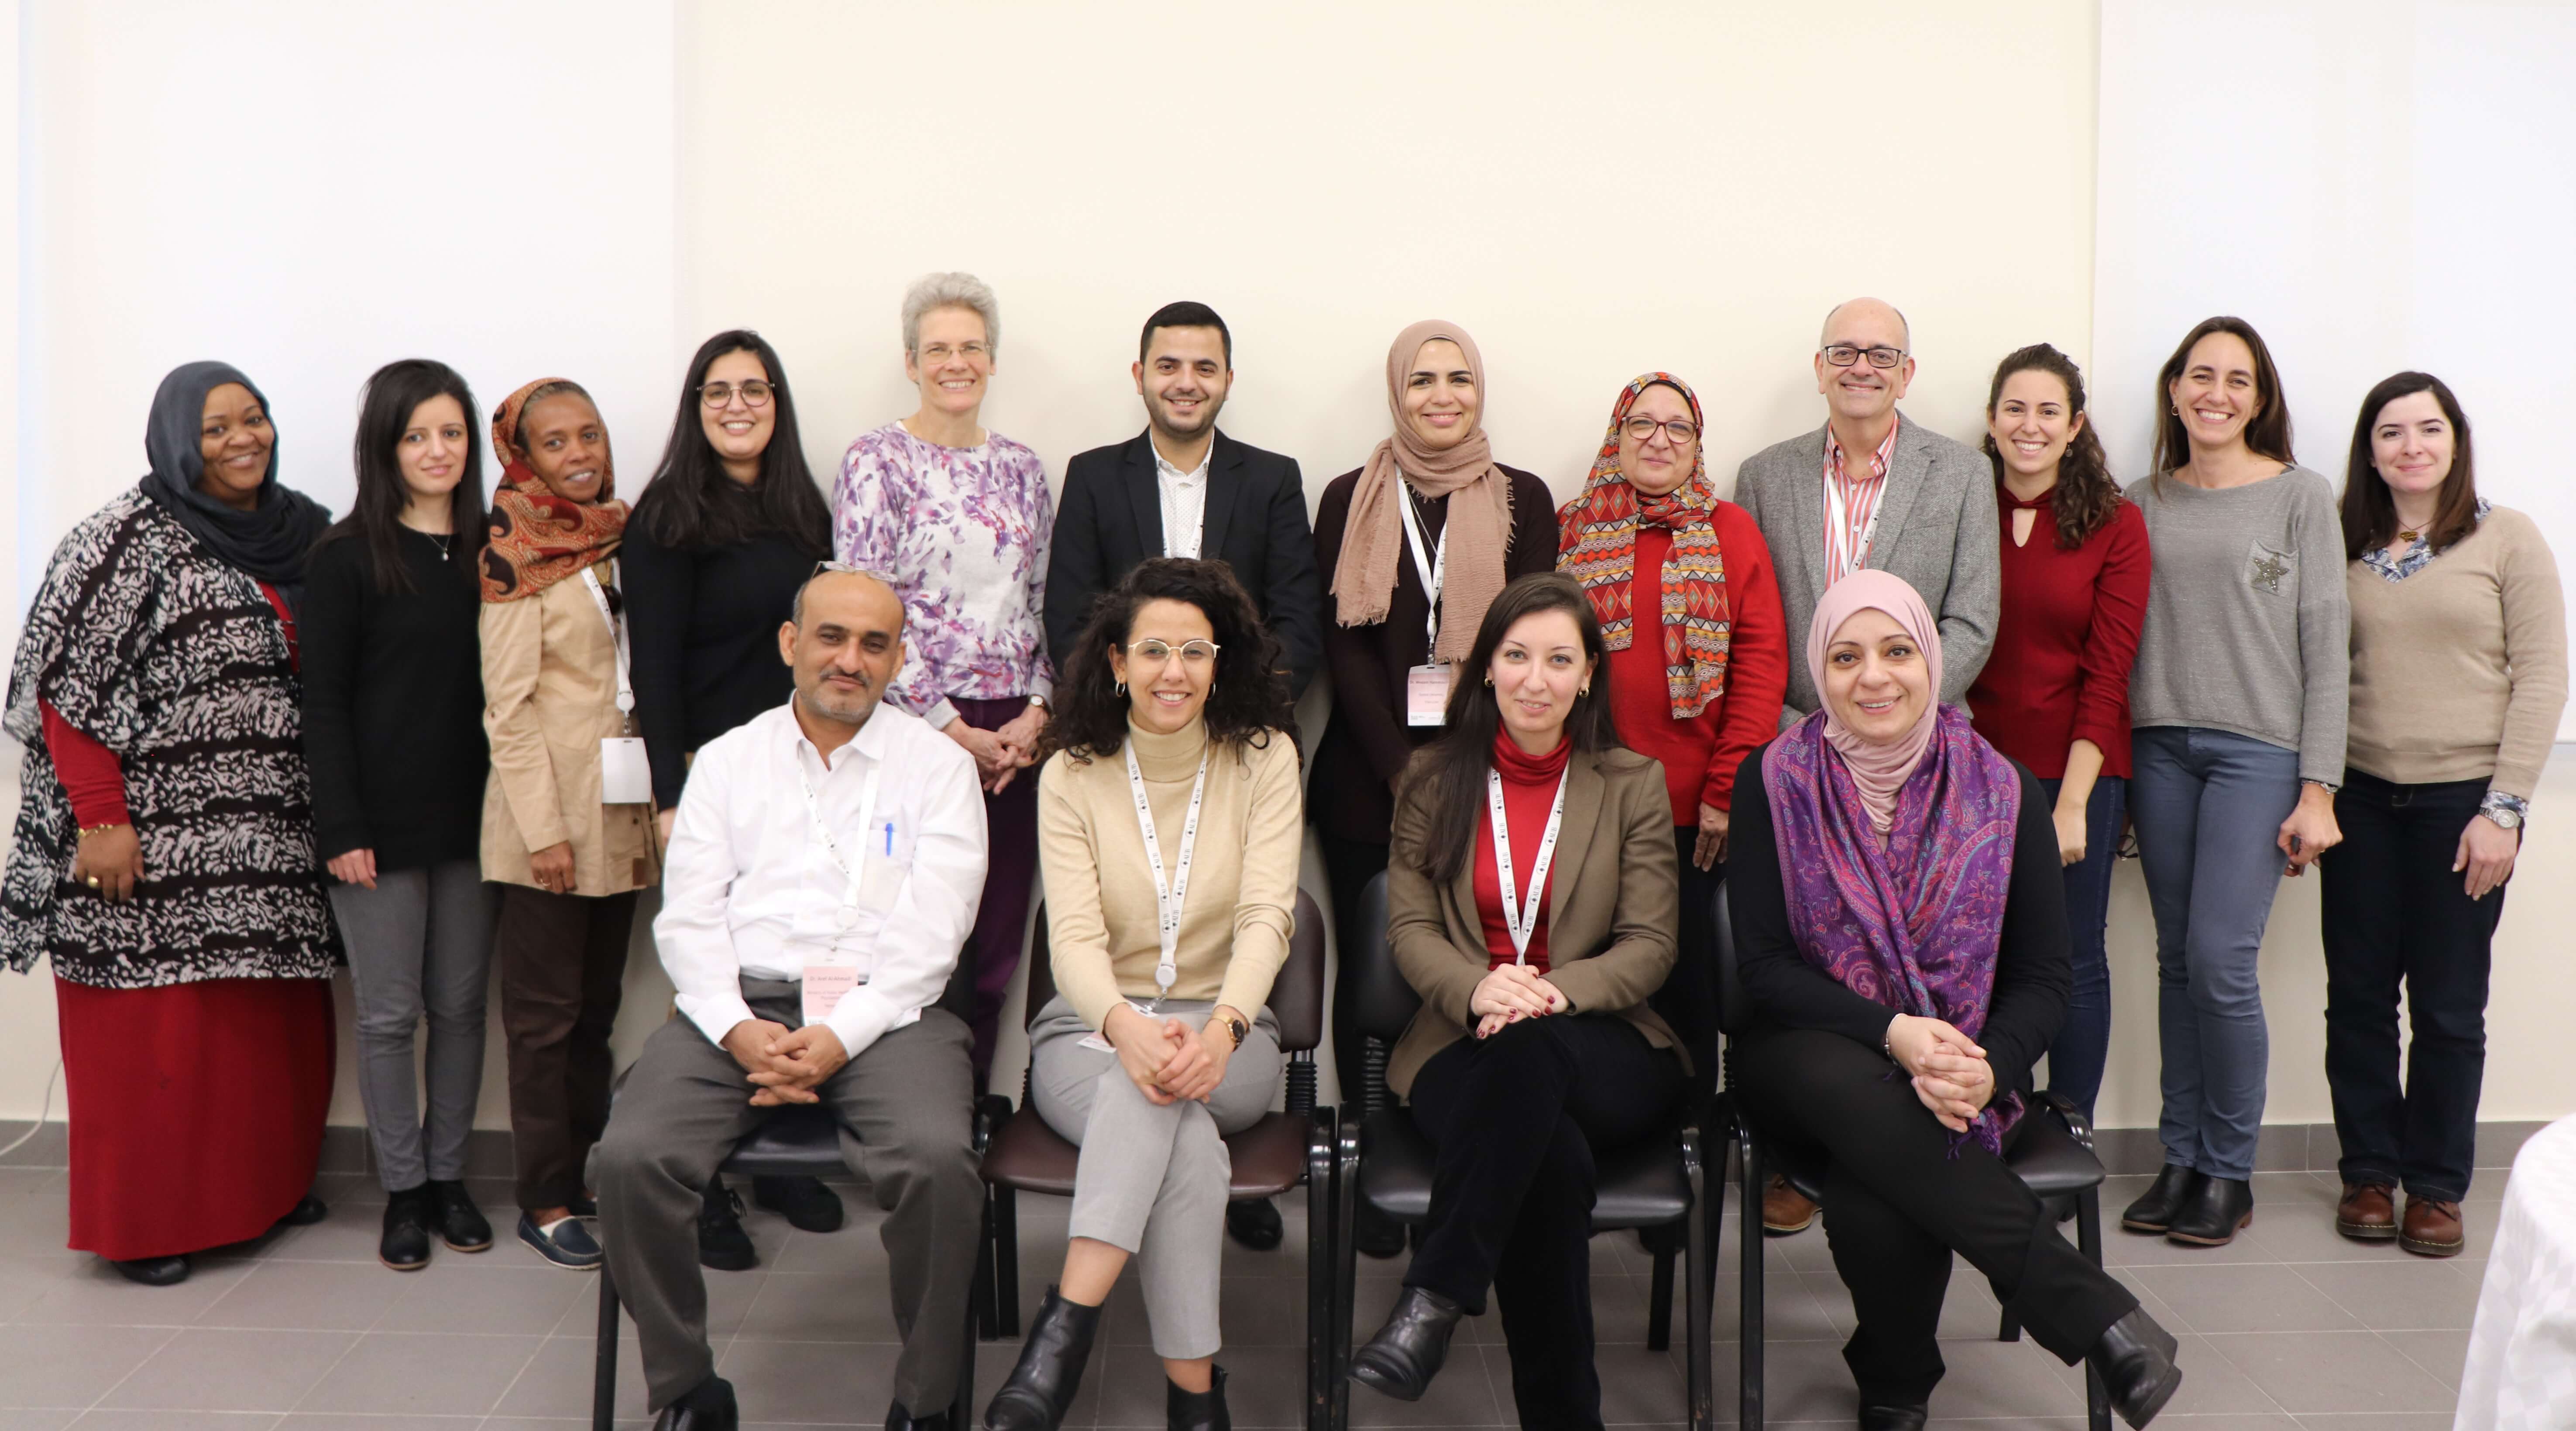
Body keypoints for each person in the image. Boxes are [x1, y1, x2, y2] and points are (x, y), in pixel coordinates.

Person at [1727, 571, 2184, 1431]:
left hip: (1958, 1067)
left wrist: (1984, 1070)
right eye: (1845, 656)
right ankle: (2093, 1315)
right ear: (1816, 673)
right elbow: (1763, 966)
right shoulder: (1773, 781)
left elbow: (2045, 977)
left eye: (1896, 651)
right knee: (1855, 1088)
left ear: (1930, 662)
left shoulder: (2004, 789)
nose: (1873, 676)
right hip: (1801, 1054)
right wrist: (1893, 1030)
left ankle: (1894, 1380)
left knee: (1879, 1179)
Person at [595, 567, 990, 1431]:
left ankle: (926, 1400)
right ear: (789, 643)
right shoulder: (731, 761)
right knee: (629, 1158)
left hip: (888, 1014)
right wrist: (740, 1031)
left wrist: (836, 1038)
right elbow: (690, 920)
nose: (849, 659)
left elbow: (932, 937)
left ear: (897, 661)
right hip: (738, 1010)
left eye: (873, 644)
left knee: (935, 1162)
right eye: (830, 636)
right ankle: (688, 1387)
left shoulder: (938, 769)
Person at [1, 362, 336, 1286]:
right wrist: (101, 819)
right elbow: (66, 693)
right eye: (217, 427)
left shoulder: (304, 531)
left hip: (269, 839)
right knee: (165, 1041)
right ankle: (148, 1225)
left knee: (256, 1038)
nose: (243, 440)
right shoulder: (120, 541)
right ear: (178, 439)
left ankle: (262, 1194)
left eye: (256, 418)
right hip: (154, 842)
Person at [1344, 572, 1689, 1428]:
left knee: (1533, 1054)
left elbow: (1650, 945)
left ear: (1586, 676)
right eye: (1516, 656)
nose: (1535, 678)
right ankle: (1563, 1415)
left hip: (1604, 1041)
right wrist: (1476, 987)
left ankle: (1435, 1294)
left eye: (1558, 659)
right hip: (1460, 1038)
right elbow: (1411, 926)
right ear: (1487, 668)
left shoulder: (1631, 781)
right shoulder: (1430, 779)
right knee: (1549, 1156)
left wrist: (1544, 994)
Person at [986, 559, 1302, 1431]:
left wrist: (1227, 1027)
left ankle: (1062, 1335)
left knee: (1164, 1097)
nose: (1174, 670)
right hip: (1091, 1029)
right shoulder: (1074, 770)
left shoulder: (1264, 758)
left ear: (1220, 661)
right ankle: (1195, 1395)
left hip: (1229, 1033)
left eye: (1194, 651)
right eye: (1153, 650)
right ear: (1116, 662)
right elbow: (1073, 938)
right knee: (1176, 1129)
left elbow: (1265, 916)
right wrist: (1124, 1025)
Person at [1731, 298, 2000, 1235]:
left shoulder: (1962, 474)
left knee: (1918, 957)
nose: (1860, 365)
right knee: (1816, 958)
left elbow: (1969, 618)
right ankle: (1816, 1152)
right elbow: (1757, 624)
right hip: (1799, 766)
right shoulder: (1762, 476)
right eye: (1843, 351)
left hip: (1922, 766)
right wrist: (1809, 733)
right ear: (1817, 367)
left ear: (1906, 372)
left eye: (1880, 352)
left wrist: (1887, 709)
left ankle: (1922, 1120)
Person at [1311, 320, 1556, 1256]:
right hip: (1363, 784)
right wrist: (1399, 766)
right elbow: (1343, 643)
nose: (1441, 395)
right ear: (1395, 392)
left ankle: (1448, 1144)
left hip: (1489, 777)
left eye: (1458, 377)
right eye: (1422, 380)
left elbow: (1528, 641)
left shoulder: (1522, 497)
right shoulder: (1349, 495)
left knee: (1460, 964)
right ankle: (1374, 1155)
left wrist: (1460, 763)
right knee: (1373, 972)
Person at [2118, 316, 2348, 1249]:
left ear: (2259, 398)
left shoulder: (2300, 496)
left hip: (2256, 752)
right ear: (2173, 389)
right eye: (2198, 375)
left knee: (2218, 960)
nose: (2215, 392)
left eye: (2236, 380)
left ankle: (2226, 1168)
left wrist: (2318, 786)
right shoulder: (2140, 501)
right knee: (2175, 957)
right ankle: (2177, 1158)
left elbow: (2326, 648)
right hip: (2158, 747)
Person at [2325, 372, 2566, 1257]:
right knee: (2354, 998)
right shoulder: (2343, 544)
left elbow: (2542, 677)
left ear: (2454, 440)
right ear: (2370, 450)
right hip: (2355, 795)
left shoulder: (2505, 538)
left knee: (2447, 1005)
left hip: (2461, 804)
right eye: (2389, 432)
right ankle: (2366, 1172)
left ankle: (2433, 1187)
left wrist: (2501, 810)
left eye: (2427, 429)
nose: (2409, 446)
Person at [625, 329, 843, 1266]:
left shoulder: (804, 510)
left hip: (804, 774)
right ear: (696, 406)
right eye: (719, 391)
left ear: (777, 402)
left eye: (755, 389)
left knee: (801, 949)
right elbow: (657, 669)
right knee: (710, 968)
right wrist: (670, 793)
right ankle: (704, 1179)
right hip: (712, 778)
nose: (738, 405)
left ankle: (787, 1155)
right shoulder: (668, 515)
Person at [834, 271, 1054, 1088]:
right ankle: (900, 1109)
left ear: (991, 361)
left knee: (996, 939)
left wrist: (1035, 712)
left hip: (1013, 738)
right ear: (910, 361)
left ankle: (968, 1120)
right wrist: (948, 727)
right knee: (907, 928)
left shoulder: (1026, 470)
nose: (955, 361)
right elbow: (864, 609)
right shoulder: (874, 461)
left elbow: (1039, 601)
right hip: (911, 726)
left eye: (970, 347)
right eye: (938, 349)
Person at [302, 359, 498, 1271]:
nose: (436, 450)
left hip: (477, 822)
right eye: (415, 435)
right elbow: (325, 703)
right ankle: (405, 1190)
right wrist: (341, 828)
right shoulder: (345, 557)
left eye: (451, 433)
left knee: (461, 1008)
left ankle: (453, 1177)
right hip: (375, 829)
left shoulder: (496, 551)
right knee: (389, 1016)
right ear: (384, 447)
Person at [1557, 371, 1787, 1090]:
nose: (1659, 439)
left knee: (1685, 984)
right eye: (1642, 424)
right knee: (1588, 978)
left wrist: (1724, 790)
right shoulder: (1572, 528)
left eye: (1677, 427)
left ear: (1696, 445)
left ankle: (1687, 1147)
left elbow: (1760, 665)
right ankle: (1607, 1142)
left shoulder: (1730, 530)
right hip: (1588, 804)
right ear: (1615, 436)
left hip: (1695, 810)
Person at [479, 377, 660, 1270]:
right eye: (556, 443)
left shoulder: (617, 536)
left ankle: (582, 1176)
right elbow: (507, 710)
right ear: (522, 457)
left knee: (596, 1009)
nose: (580, 454)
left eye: (589, 435)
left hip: (618, 809)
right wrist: (542, 830)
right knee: (545, 1020)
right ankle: (543, 1198)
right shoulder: (513, 551)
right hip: (544, 820)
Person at [1964, 345, 2149, 1124]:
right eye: (2014, 408)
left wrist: (2071, 803)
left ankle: (2066, 1120)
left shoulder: (2116, 523)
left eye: (2048, 411)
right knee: (1977, 955)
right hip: (1969, 772)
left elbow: (2108, 675)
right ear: (1991, 419)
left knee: (2071, 952)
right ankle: (1985, 1113)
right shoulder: (1963, 502)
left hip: (2075, 772)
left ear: (2074, 426)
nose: (2029, 426)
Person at [1045, 300, 1324, 697]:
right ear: (1140, 376)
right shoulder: (1092, 477)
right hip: (1118, 725)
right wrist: (1138, 710)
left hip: (1244, 725)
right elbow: (1069, 623)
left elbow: (1298, 624)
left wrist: (1237, 709)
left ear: (1228, 381)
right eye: (1168, 366)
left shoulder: (1273, 480)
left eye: (1204, 369)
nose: (1186, 383)